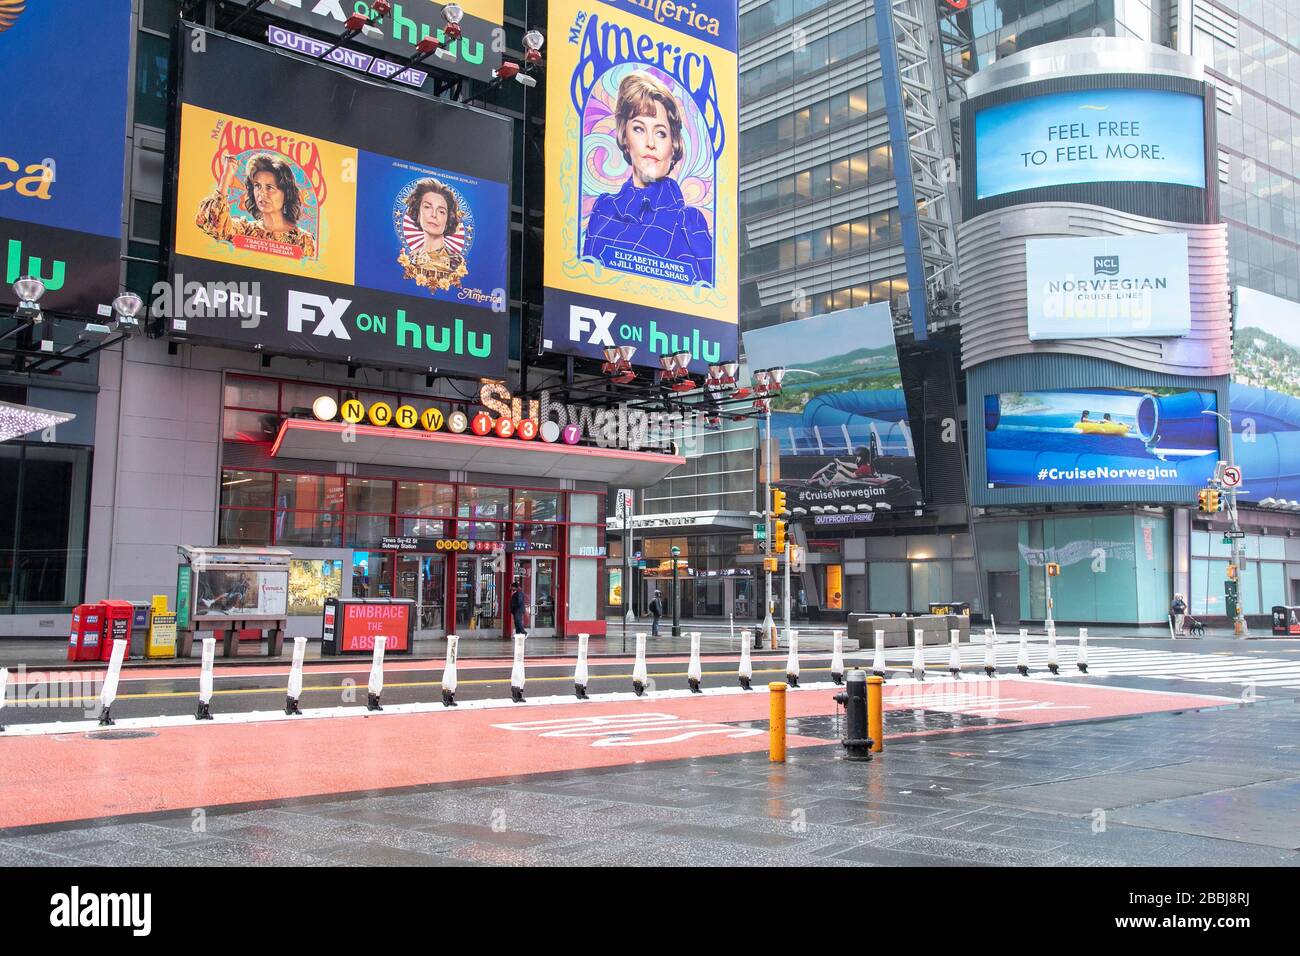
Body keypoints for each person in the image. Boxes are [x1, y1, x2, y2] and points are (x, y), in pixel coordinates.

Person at [582, 72, 714, 285]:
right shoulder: (603, 210)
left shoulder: (688, 222)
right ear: (625, 137)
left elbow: (710, 303)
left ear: (674, 144)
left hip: (664, 319)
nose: (650, 142)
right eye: (639, 129)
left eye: (661, 133)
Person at [196, 153, 317, 258]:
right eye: (257, 186)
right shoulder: (245, 230)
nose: (261, 193)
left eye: (269, 187)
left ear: (286, 194)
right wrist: (226, 178)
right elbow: (216, 227)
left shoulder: (304, 240)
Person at [399, 178, 468, 292]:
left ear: (448, 219)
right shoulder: (410, 259)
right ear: (418, 212)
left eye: (441, 211)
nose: (434, 215)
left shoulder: (458, 262)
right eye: (427, 207)